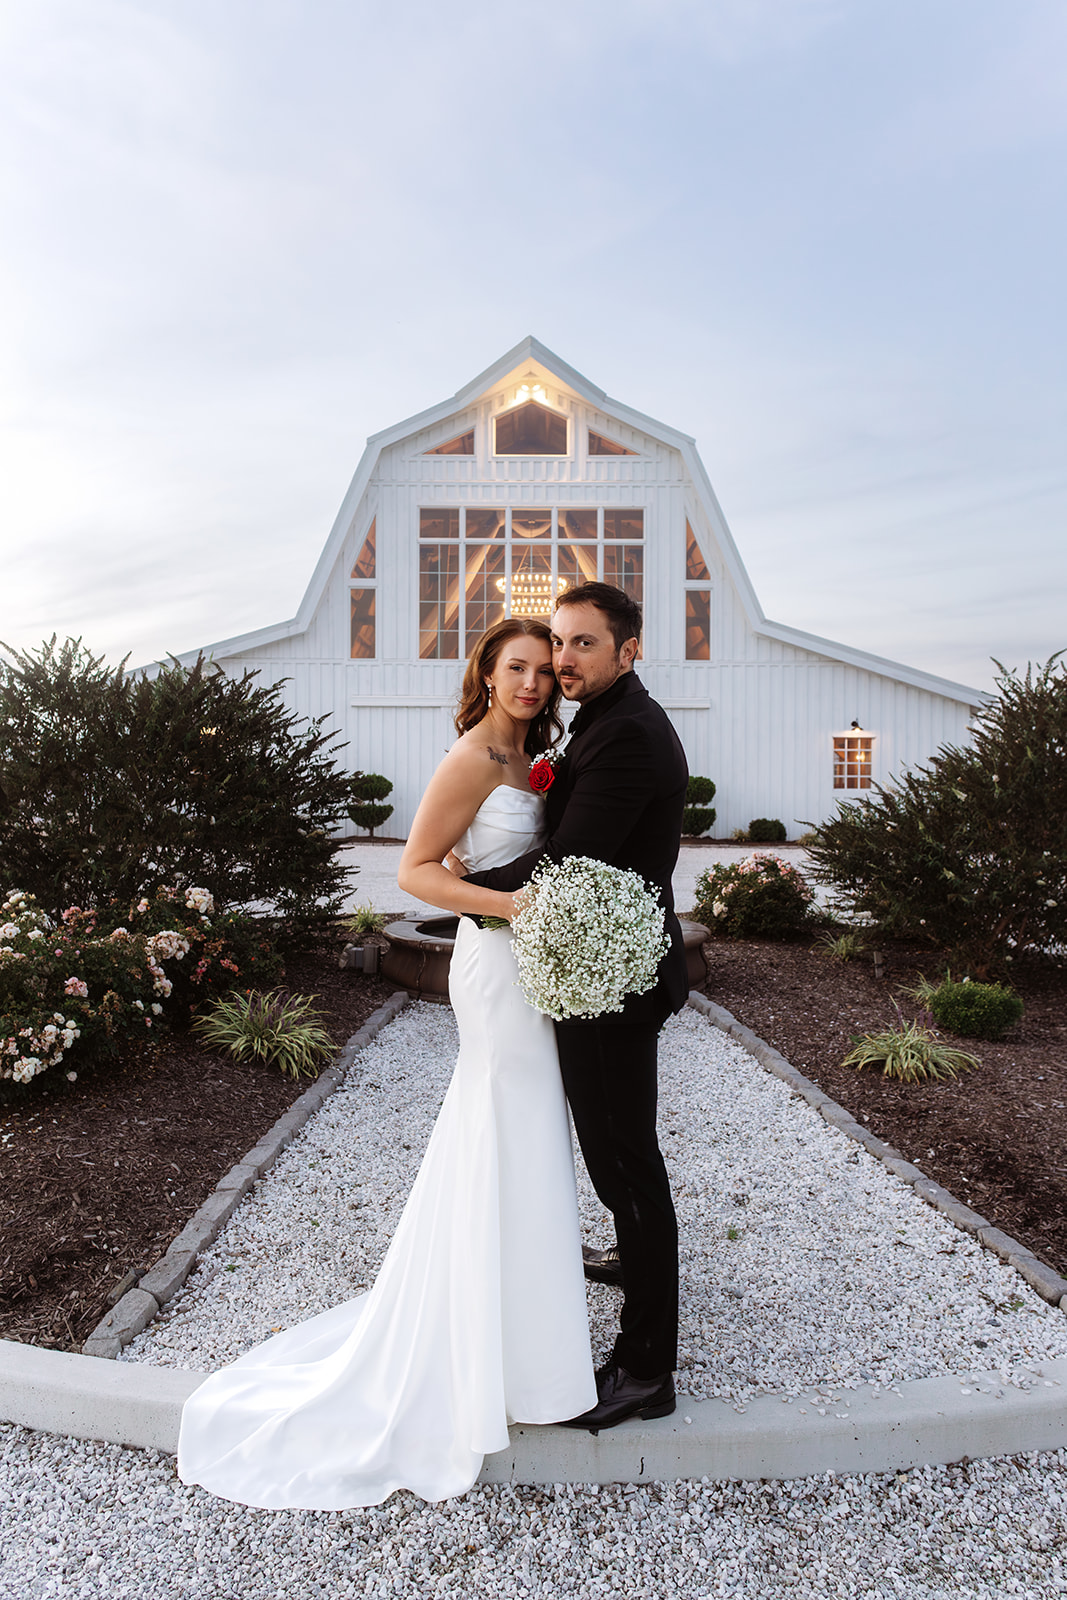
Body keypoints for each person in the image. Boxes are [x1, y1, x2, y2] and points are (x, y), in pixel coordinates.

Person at [176, 617, 596, 1509]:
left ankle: (528, 1356)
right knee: (502, 1125)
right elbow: (414, 871)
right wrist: (516, 905)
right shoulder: (474, 758)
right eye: (513, 667)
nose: (530, 682)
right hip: (498, 960)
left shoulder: (538, 757)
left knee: (525, 1137)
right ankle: (486, 1355)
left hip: (538, 964)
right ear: (484, 673)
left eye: (540, 670)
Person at [461, 582, 689, 1431]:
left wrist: (453, 889)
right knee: (614, 1155)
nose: (561, 659)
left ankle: (645, 1368)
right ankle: (634, 1258)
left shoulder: (627, 734)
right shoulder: (600, 716)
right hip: (598, 962)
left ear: (628, 651)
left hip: (611, 982)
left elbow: (562, 862)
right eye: (558, 642)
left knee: (626, 1161)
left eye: (583, 644)